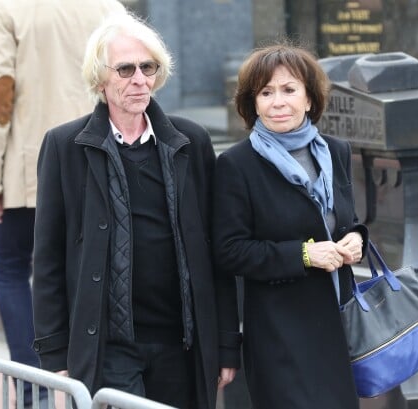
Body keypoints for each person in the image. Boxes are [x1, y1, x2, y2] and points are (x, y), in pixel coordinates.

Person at [31, 12, 241, 409]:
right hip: (108, 346)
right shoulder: (65, 146)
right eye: (125, 69)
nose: (139, 79)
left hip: (183, 343)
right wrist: (54, 352)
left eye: (148, 67)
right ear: (100, 78)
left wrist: (226, 342)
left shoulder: (190, 142)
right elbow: (48, 258)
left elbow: (215, 252)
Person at [0, 0, 126, 405]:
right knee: (95, 268)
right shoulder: (106, 5)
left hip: (29, 165)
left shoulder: (6, 7)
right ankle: (96, 388)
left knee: (10, 266)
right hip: (98, 156)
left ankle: (34, 390)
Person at [212, 42, 369, 409]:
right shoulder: (237, 165)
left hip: (340, 323)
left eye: (288, 89)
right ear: (252, 104)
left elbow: (348, 220)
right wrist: (302, 255)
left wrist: (356, 238)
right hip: (280, 334)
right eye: (265, 93)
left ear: (310, 99)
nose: (277, 102)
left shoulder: (337, 151)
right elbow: (228, 250)